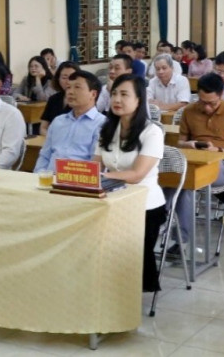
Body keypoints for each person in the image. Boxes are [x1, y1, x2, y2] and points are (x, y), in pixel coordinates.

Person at [93, 74, 166, 292]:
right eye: (114, 93)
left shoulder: (152, 132)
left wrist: (103, 178)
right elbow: (94, 166)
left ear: (139, 100)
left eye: (124, 94)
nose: (117, 99)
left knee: (132, 253)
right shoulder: (107, 129)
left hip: (145, 205)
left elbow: (137, 175)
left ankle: (131, 294)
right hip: (112, 199)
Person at [168, 73, 224, 253]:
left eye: (212, 103)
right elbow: (180, 142)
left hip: (222, 164)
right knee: (177, 181)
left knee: (188, 182)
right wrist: (188, 144)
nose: (207, 107)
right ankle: (163, 225)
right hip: (193, 160)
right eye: (202, 102)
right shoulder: (189, 111)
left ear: (222, 94)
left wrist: (218, 151)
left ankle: (182, 239)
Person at [35, 70, 105, 171]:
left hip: (79, 178)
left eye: (77, 87)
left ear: (93, 94)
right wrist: (39, 174)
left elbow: (95, 164)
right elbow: (45, 155)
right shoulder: (58, 121)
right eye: (68, 87)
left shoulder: (102, 124)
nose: (70, 92)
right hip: (49, 177)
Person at [39, 61, 78, 134]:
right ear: (58, 79)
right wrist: (54, 137)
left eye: (72, 77)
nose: (68, 81)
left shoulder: (82, 101)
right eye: (64, 78)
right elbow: (43, 128)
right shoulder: (53, 99)